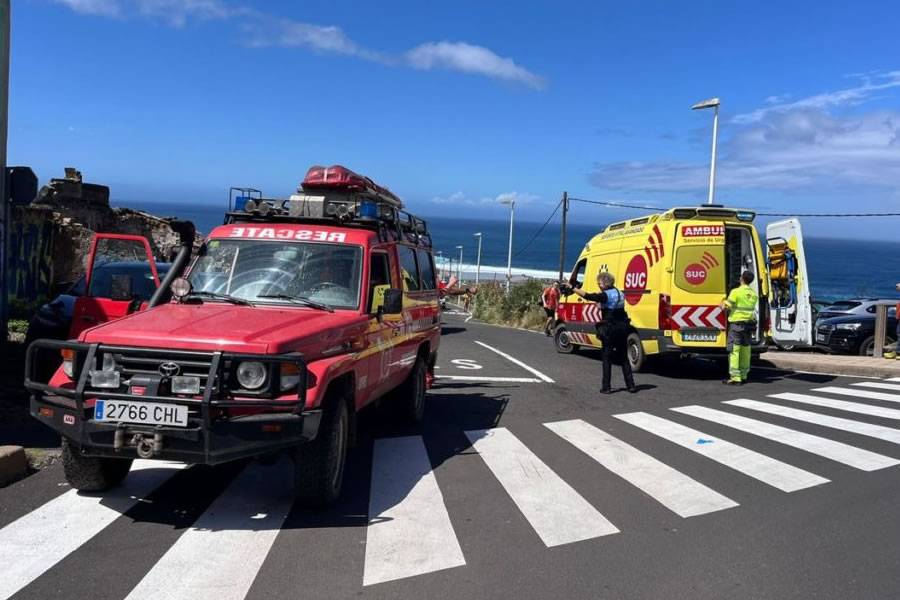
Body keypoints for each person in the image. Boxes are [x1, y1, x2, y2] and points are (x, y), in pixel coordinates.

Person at [564, 272, 636, 394]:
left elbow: (588, 296)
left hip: (610, 329)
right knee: (623, 357)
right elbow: (611, 306)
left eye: (600, 283)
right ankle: (631, 386)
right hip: (622, 327)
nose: (598, 285)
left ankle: (606, 387)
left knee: (607, 357)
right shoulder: (620, 293)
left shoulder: (605, 295)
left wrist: (572, 288)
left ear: (605, 283)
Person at [721, 270, 759, 385]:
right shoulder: (754, 294)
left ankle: (735, 377)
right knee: (745, 350)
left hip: (736, 325)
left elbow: (726, 307)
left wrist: (722, 303)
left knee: (734, 350)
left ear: (741, 278)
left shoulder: (736, 292)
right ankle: (744, 375)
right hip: (748, 325)